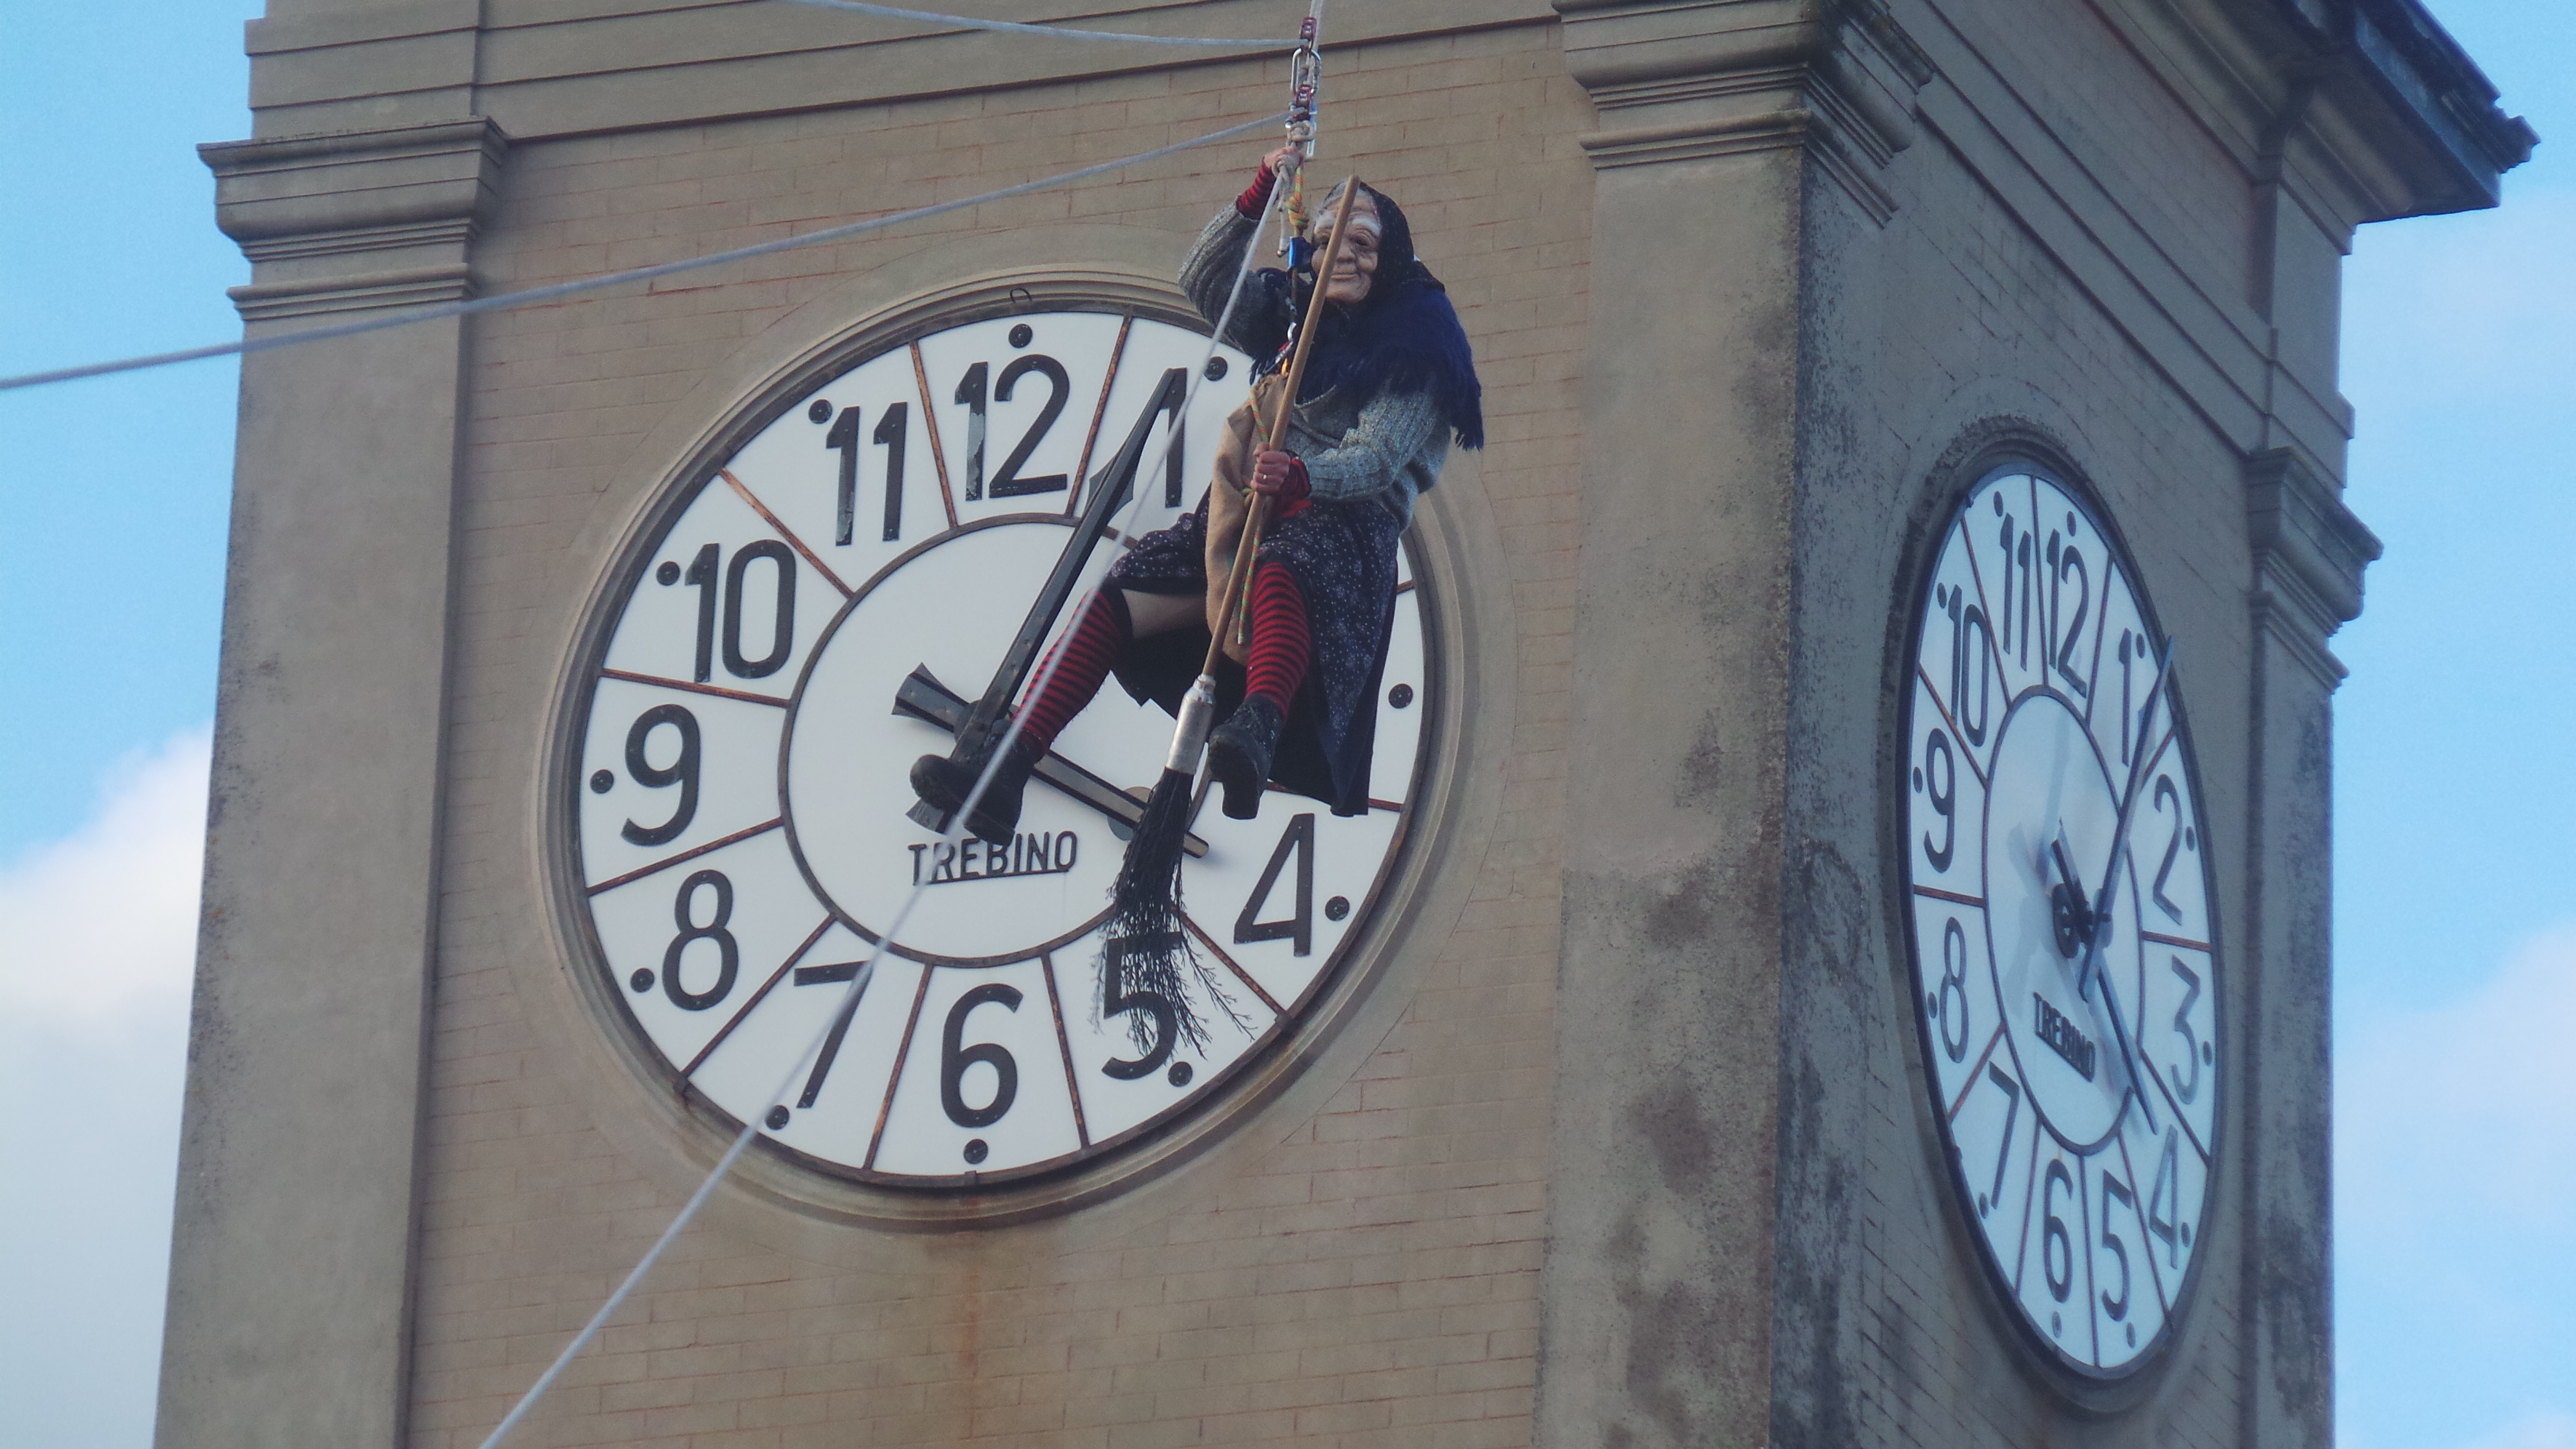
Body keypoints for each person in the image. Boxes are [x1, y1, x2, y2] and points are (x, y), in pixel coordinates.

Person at [911, 146, 1484, 846]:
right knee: (1123, 592)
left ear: (1389, 260)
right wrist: (1259, 197)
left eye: (1363, 244)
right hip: (1247, 507)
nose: (1345, 256)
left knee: (1285, 562)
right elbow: (1205, 283)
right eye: (1330, 238)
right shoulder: (1292, 320)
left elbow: (1377, 459)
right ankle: (1006, 769)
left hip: (1340, 529)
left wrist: (1304, 478)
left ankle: (1258, 729)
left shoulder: (1417, 344)